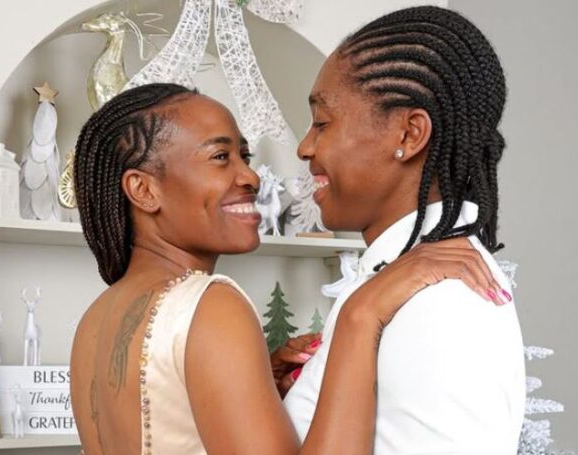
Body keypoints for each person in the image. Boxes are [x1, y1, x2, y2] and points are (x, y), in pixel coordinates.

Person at [70, 82, 502, 454]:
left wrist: (259, 389)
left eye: (244, 155)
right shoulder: (209, 306)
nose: (251, 177)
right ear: (143, 189)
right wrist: (361, 313)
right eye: (220, 157)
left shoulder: (93, 322)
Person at [283, 5, 526, 454]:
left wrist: (360, 314)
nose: (305, 147)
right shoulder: (394, 284)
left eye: (322, 123)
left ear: (409, 135)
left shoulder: (445, 302)